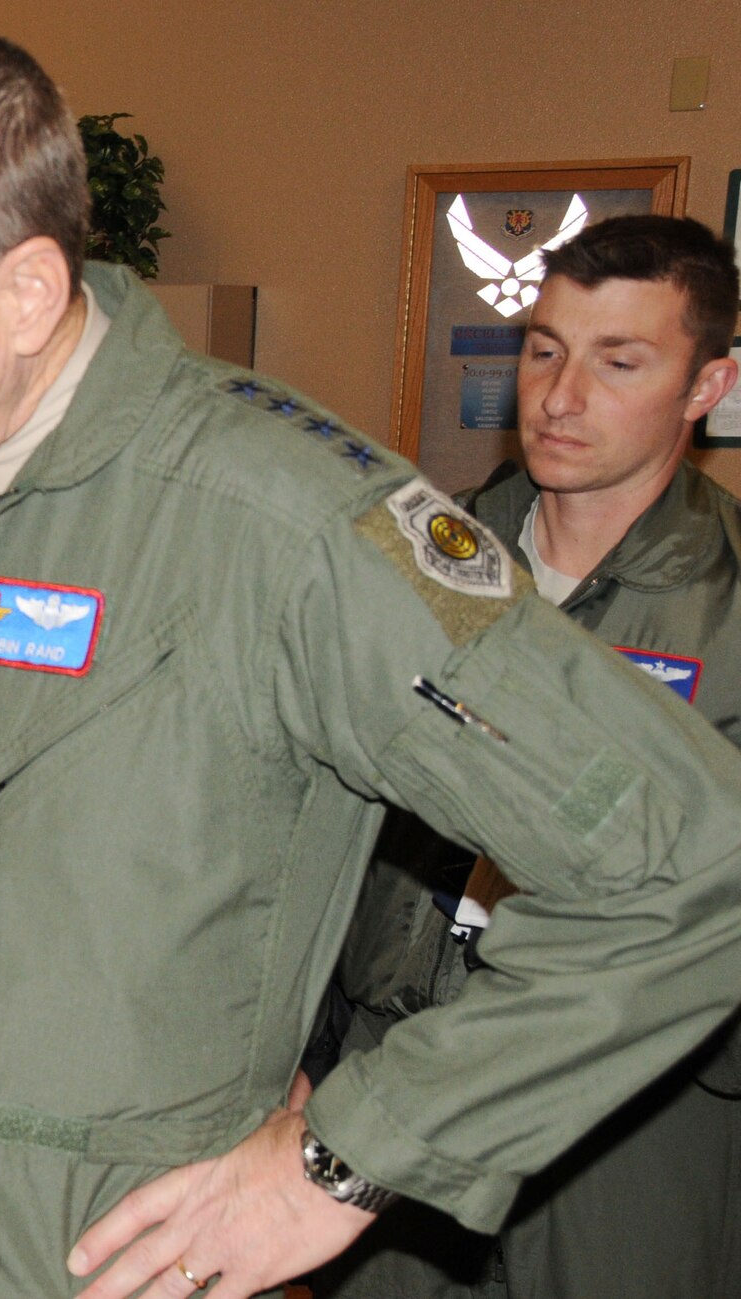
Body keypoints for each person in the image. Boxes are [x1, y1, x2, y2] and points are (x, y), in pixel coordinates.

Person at [0, 13, 741, 1297]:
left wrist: (346, 1157)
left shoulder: (289, 527)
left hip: (67, 1262)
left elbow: (689, 868)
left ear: (21, 293)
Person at [314, 214, 741, 1299]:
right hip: (394, 1094)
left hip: (628, 1136)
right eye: (542, 348)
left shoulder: (728, 606)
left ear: (705, 386)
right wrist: (301, 1066)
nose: (558, 395)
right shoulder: (416, 562)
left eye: (617, 361)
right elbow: (330, 837)